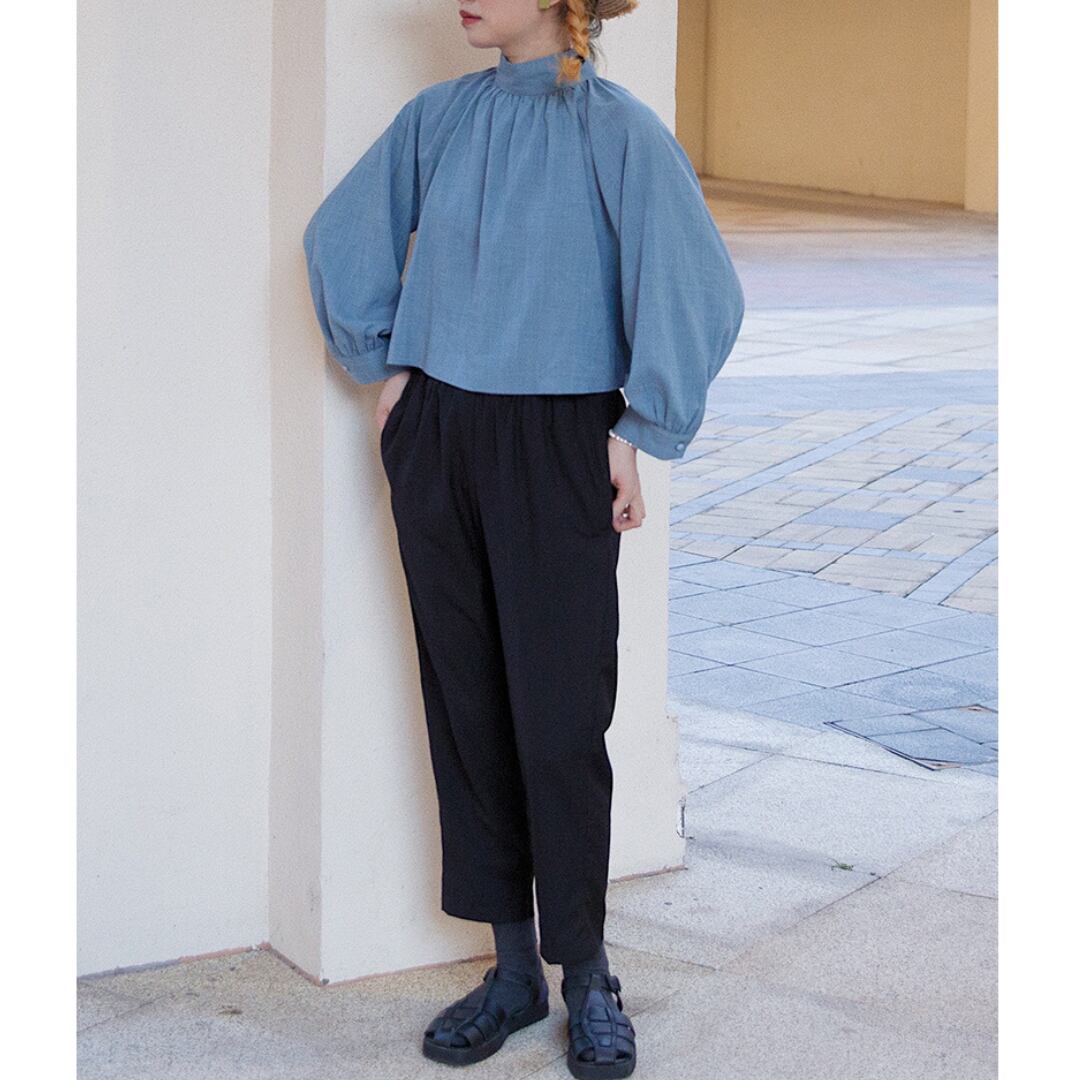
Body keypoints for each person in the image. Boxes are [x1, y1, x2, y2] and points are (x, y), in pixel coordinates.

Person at [302, 2, 744, 1076]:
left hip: (558, 440)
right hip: (441, 435)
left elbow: (697, 283)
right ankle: (510, 972)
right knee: (469, 704)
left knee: (560, 718)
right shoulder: (438, 118)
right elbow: (340, 235)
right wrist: (387, 367)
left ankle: (587, 973)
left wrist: (638, 430)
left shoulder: (617, 129)